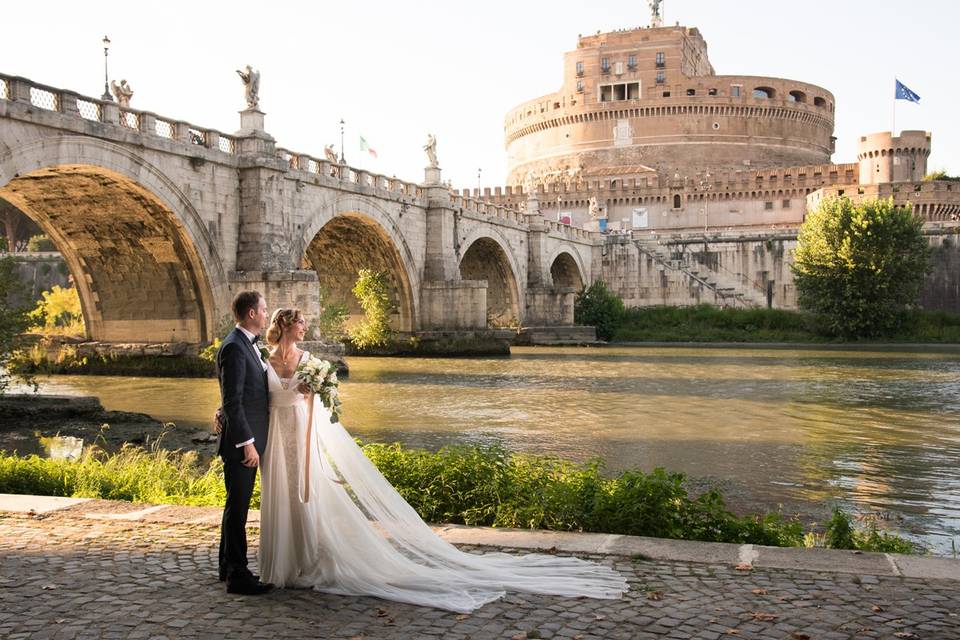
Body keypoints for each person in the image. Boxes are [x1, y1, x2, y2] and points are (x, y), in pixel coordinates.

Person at [257, 308, 628, 613]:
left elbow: (326, 397)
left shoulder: (310, 362)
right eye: (302, 322)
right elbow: (253, 397)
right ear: (288, 325)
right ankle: (283, 564)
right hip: (277, 434)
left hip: (304, 435)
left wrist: (314, 390)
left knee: (308, 495)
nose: (306, 327)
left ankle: (306, 559)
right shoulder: (265, 361)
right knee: (281, 494)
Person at [215, 291, 273, 595]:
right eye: (263, 310)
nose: (266, 314)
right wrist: (247, 443)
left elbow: (237, 394)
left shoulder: (245, 346)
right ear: (251, 313)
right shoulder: (235, 348)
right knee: (238, 509)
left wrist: (219, 411)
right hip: (242, 443)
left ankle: (226, 565)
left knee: (234, 505)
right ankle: (238, 574)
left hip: (244, 438)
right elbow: (233, 402)